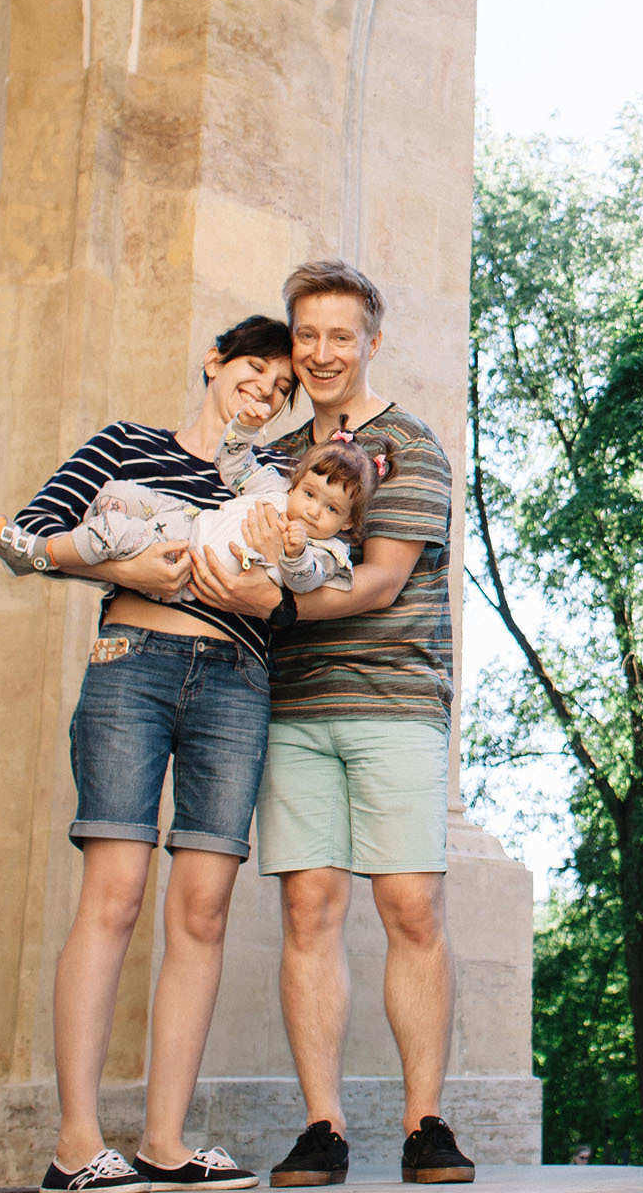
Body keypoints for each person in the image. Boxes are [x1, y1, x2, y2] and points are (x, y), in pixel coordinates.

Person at [190, 260, 474, 1186]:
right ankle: (325, 1128)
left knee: (411, 907)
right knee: (309, 908)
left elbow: (382, 579)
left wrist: (264, 600)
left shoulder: (413, 446)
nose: (320, 353)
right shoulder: (270, 461)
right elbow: (227, 538)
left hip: (394, 701)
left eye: (340, 335)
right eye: (305, 334)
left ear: (370, 343)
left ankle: (426, 1122)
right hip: (292, 706)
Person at [5, 315, 299, 1193]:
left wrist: (264, 585)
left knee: (202, 912)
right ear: (214, 363)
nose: (268, 392)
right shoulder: (125, 444)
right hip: (131, 669)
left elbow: (294, 583)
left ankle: (165, 1144)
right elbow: (34, 535)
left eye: (283, 389)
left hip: (236, 685)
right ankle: (75, 1147)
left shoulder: (277, 479)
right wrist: (122, 574)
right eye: (256, 370)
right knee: (114, 899)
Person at [0, 406, 376, 595]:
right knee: (121, 495)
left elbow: (306, 583)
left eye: (331, 509)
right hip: (189, 520)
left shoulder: (324, 549)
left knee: (115, 530)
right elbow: (233, 465)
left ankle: (43, 554)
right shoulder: (272, 490)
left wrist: (294, 555)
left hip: (184, 555)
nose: (312, 510)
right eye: (309, 494)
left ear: (346, 523)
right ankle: (101, 545)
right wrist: (244, 428)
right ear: (296, 485)